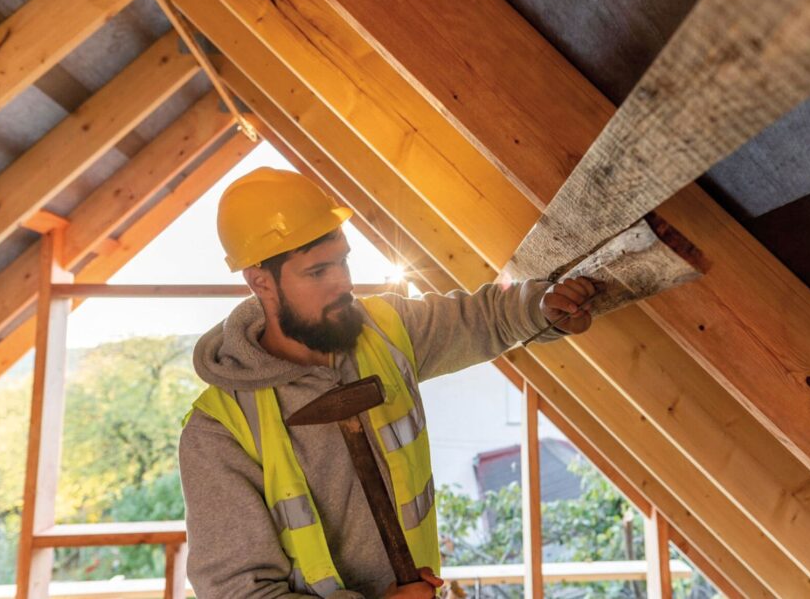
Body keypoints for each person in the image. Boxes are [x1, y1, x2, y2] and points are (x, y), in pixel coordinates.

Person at [179, 167, 600, 598]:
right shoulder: (220, 430)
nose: (343, 281)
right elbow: (239, 593)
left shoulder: (384, 331)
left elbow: (482, 318)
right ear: (260, 282)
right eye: (318, 272)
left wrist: (542, 309)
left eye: (342, 260)